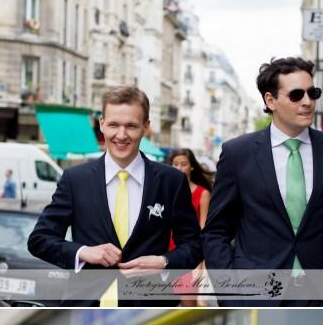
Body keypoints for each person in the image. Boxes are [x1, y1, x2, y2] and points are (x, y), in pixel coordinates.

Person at [203, 56, 323, 306]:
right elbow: (216, 232)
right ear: (270, 100)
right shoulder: (238, 154)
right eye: (296, 95)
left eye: (312, 93)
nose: (307, 102)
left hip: (322, 297)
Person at [27, 86, 202, 307]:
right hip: (83, 309)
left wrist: (164, 262)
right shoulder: (75, 179)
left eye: (130, 126)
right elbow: (39, 240)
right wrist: (83, 252)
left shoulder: (171, 181)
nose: (121, 135)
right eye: (113, 125)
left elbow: (194, 245)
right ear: (101, 124)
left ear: (146, 127)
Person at [168, 148, 213, 307]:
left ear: (192, 166)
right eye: (175, 164)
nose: (179, 168)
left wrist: (200, 264)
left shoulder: (202, 193)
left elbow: (203, 227)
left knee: (189, 300)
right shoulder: (166, 190)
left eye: (183, 164)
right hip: (163, 253)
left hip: (188, 254)